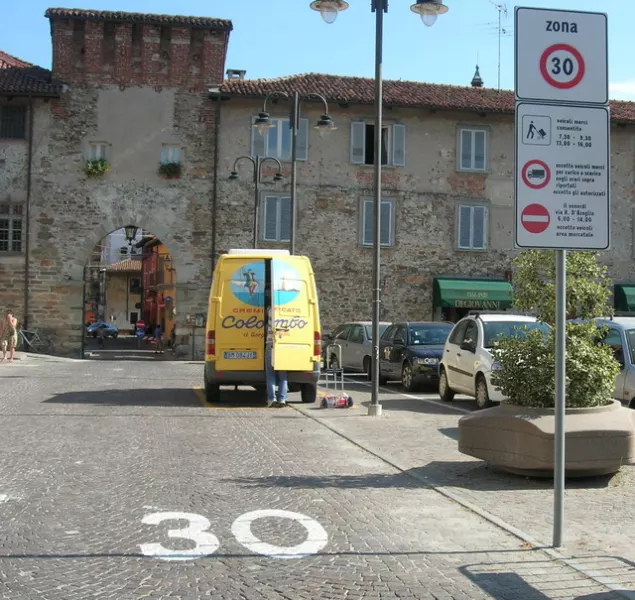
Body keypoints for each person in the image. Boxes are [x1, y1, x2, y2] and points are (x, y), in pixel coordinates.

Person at [265, 305, 288, 408]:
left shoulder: (270, 310)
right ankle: (282, 399)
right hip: (283, 344)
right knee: (283, 375)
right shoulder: (287, 310)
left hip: (271, 344)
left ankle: (272, 399)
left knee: (271, 374)